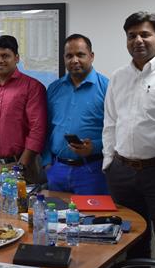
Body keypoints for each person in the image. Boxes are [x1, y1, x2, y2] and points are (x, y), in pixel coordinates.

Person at [102, 12, 155, 268]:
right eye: (132, 35)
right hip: (122, 171)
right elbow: (110, 122)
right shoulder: (119, 77)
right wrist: (109, 162)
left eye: (145, 34)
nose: (138, 40)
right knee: (132, 241)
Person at [0, 35, 47, 182]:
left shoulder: (33, 87)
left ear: (16, 58)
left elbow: (37, 129)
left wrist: (21, 167)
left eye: (5, 56)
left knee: (24, 199)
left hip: (22, 164)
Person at [43, 34, 110, 194]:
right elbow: (45, 128)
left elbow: (117, 132)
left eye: (80, 55)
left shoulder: (107, 88)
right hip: (57, 170)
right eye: (69, 56)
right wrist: (47, 163)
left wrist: (94, 147)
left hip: (92, 171)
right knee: (56, 211)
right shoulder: (54, 88)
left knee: (91, 211)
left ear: (91, 56)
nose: (74, 60)